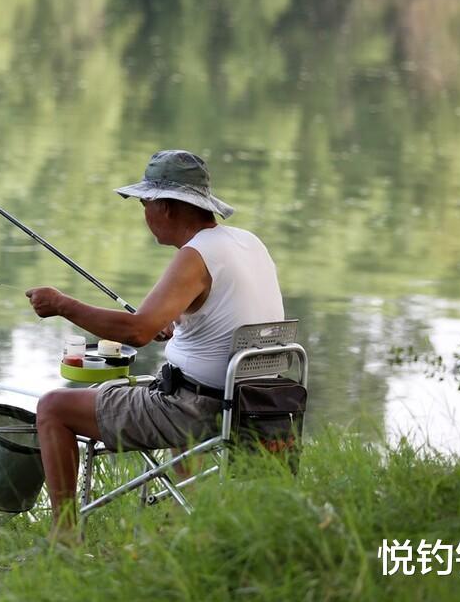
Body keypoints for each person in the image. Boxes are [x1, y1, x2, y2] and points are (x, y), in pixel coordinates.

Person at [25, 149, 284, 532]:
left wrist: (63, 305)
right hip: (257, 399)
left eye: (145, 203)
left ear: (166, 207)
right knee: (168, 378)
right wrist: (177, 325)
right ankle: (188, 518)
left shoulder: (195, 256)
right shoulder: (245, 242)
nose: (144, 213)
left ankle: (63, 539)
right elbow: (222, 314)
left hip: (198, 408)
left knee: (52, 408)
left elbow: (137, 332)